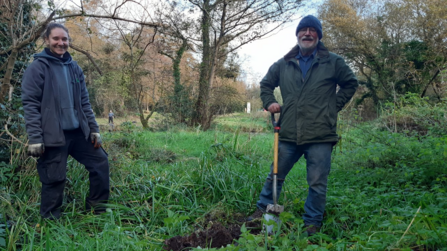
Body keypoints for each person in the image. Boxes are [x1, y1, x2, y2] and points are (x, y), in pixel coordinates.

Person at [248, 15, 358, 236]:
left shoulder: (333, 62)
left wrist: (332, 106)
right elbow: (266, 84)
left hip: (320, 134)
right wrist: (269, 101)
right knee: (275, 175)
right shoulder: (284, 62)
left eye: (312, 30)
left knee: (317, 183)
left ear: (318, 35)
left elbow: (350, 84)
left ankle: (311, 223)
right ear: (297, 34)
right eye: (303, 30)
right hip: (288, 131)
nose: (307, 33)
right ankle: (263, 211)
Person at [21, 23, 109, 220]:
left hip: (79, 133)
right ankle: (50, 223)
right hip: (53, 135)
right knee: (54, 178)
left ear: (69, 41)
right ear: (47, 40)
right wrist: (35, 138)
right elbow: (30, 104)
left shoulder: (74, 67)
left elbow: (84, 102)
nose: (61, 43)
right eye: (56, 39)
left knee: (101, 163)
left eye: (64, 39)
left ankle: (97, 211)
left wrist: (94, 129)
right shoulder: (37, 68)